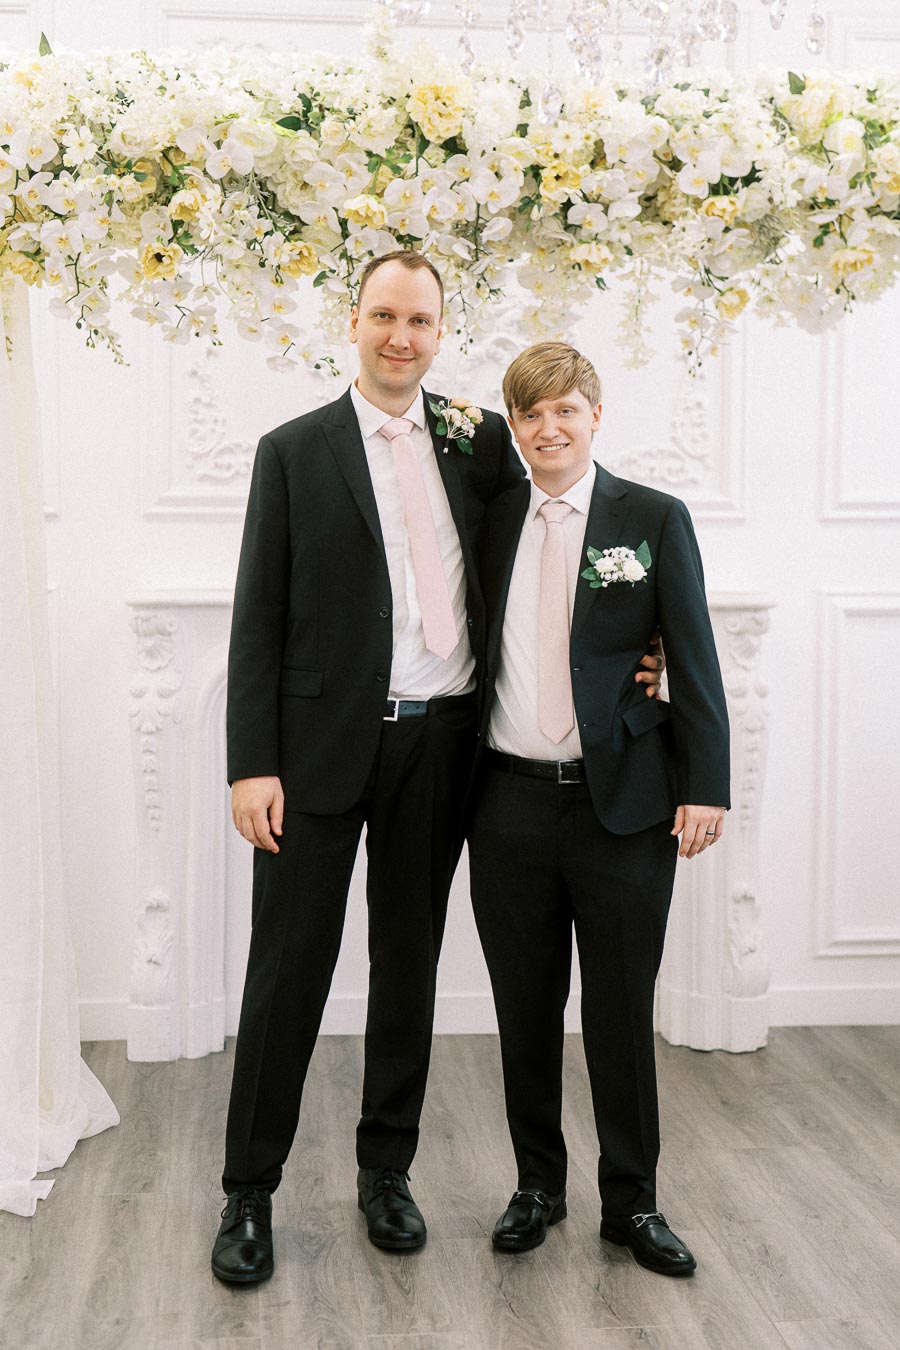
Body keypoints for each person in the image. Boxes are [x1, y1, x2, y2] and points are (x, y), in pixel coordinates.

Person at [211, 255, 663, 1284]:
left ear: (441, 330)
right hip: (318, 755)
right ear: (354, 321)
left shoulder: (477, 441)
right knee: (288, 969)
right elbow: (257, 621)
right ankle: (249, 1191)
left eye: (419, 319)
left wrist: (650, 645)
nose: (400, 335)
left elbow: (560, 541)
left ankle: (387, 1174)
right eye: (384, 316)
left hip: (443, 743)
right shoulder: (292, 452)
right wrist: (252, 765)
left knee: (407, 963)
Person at [467, 341, 730, 1278]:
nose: (549, 428)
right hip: (505, 806)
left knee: (620, 1012)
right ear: (515, 425)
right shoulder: (490, 519)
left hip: (624, 810)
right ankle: (537, 1185)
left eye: (565, 411)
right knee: (524, 1011)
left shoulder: (651, 518)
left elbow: (693, 655)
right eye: (531, 414)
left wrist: (706, 784)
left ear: (595, 416)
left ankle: (635, 1202)